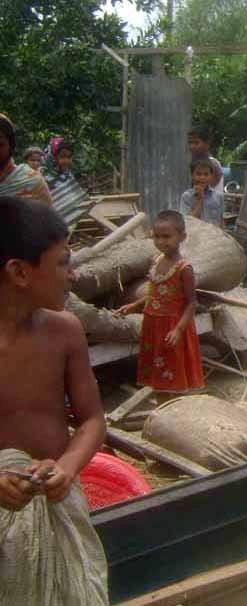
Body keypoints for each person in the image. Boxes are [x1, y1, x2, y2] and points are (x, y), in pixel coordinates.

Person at [0, 196, 108, 604]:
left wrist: (67, 467)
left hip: (55, 503)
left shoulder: (65, 331)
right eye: (63, 262)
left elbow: (92, 420)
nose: (72, 274)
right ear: (19, 272)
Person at [115, 210, 205, 399]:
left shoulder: (184, 269)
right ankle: (161, 407)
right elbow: (155, 294)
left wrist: (178, 330)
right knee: (158, 376)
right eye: (156, 236)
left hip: (171, 327)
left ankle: (174, 410)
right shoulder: (157, 262)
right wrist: (134, 306)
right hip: (153, 326)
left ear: (182, 237)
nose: (161, 241)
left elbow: (191, 303)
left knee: (173, 374)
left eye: (166, 236)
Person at [0, 113, 51, 205]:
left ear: (11, 146)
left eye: (0, 144)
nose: (35, 163)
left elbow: (47, 213)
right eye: (33, 160)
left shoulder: (33, 183)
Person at [178, 157, 225, 228]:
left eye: (206, 174)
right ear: (192, 175)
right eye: (198, 174)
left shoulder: (218, 196)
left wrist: (223, 233)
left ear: (211, 176)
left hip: (213, 234)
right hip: (196, 234)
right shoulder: (186, 196)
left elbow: (221, 221)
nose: (202, 177)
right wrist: (200, 199)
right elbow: (188, 223)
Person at [187, 124, 224, 191]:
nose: (192, 146)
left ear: (207, 143)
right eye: (190, 143)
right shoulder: (195, 162)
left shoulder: (212, 164)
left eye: (196, 143)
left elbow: (205, 192)